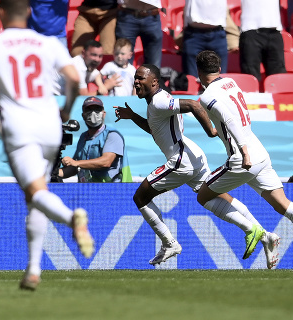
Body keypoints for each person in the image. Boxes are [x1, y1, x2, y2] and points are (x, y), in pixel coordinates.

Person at [0, 0, 94, 291]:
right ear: (30, 12)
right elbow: (75, 79)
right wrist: (66, 108)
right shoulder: (48, 42)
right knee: (34, 196)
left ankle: (71, 217)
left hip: (21, 128)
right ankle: (34, 270)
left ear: (0, 13)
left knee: (36, 192)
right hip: (51, 125)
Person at [114, 64, 276, 266]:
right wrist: (132, 116)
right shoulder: (157, 101)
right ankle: (264, 236)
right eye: (135, 78)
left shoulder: (159, 101)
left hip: (181, 161)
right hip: (194, 155)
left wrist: (210, 130)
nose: (136, 82)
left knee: (140, 197)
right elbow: (155, 128)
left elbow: (194, 104)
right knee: (216, 196)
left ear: (154, 82)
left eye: (140, 78)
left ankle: (169, 243)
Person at [195, 50, 293, 269]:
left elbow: (230, 120)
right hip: (260, 151)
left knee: (203, 195)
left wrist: (243, 152)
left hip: (243, 158)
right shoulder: (231, 82)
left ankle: (252, 230)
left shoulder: (207, 96)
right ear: (220, 69)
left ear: (198, 72)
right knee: (283, 205)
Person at [58, 96, 132, 182]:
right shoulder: (83, 137)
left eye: (97, 109)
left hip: (111, 191)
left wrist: (75, 163)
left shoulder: (112, 135)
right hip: (88, 191)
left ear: (104, 113)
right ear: (83, 115)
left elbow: (106, 162)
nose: (93, 113)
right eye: (89, 109)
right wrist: (54, 173)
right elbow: (74, 167)